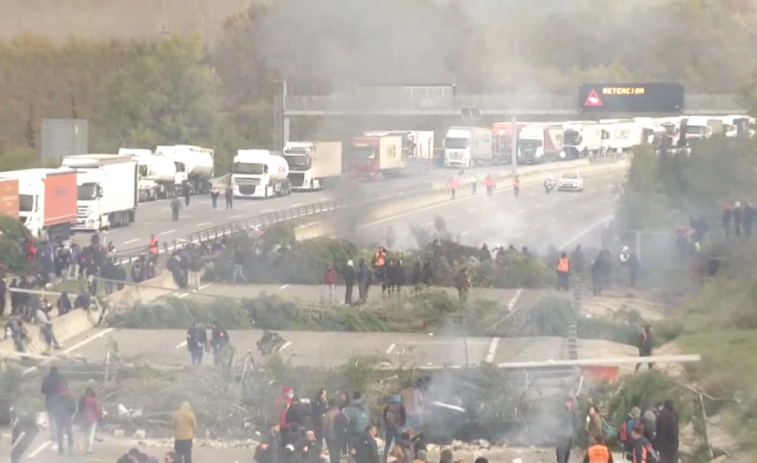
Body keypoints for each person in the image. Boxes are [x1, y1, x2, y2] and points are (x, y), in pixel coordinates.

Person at [41, 367, 67, 441]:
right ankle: (62, 434)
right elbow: (66, 389)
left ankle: (55, 436)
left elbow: (42, 390)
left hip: (49, 401)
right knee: (61, 418)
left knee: (52, 419)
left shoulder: (47, 379)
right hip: (61, 401)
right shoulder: (61, 378)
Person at [49, 387, 76, 456]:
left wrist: (56, 415)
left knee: (60, 433)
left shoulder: (55, 399)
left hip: (59, 418)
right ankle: (70, 449)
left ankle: (60, 449)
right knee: (69, 433)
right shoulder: (70, 398)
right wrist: (70, 414)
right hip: (67, 418)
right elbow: (74, 408)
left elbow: (53, 408)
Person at [383, 395, 407, 459]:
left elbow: (384, 418)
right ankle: (398, 458)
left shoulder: (387, 407)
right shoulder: (401, 407)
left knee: (387, 444)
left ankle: (385, 458)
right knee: (398, 445)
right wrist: (400, 425)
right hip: (398, 428)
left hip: (389, 428)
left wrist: (387, 424)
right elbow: (404, 418)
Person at [79, 387, 101, 455]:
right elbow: (97, 410)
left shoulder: (82, 399)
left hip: (85, 418)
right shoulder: (94, 399)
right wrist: (98, 415)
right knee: (91, 434)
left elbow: (80, 408)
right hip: (93, 419)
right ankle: (89, 450)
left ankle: (86, 448)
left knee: (86, 434)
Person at [556, 397, 577, 463]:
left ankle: (565, 461)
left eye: (570, 402)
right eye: (568, 402)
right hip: (562, 434)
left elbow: (575, 422)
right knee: (561, 450)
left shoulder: (573, 412)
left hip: (569, 434)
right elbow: (561, 421)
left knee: (567, 450)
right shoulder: (562, 411)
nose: (569, 404)